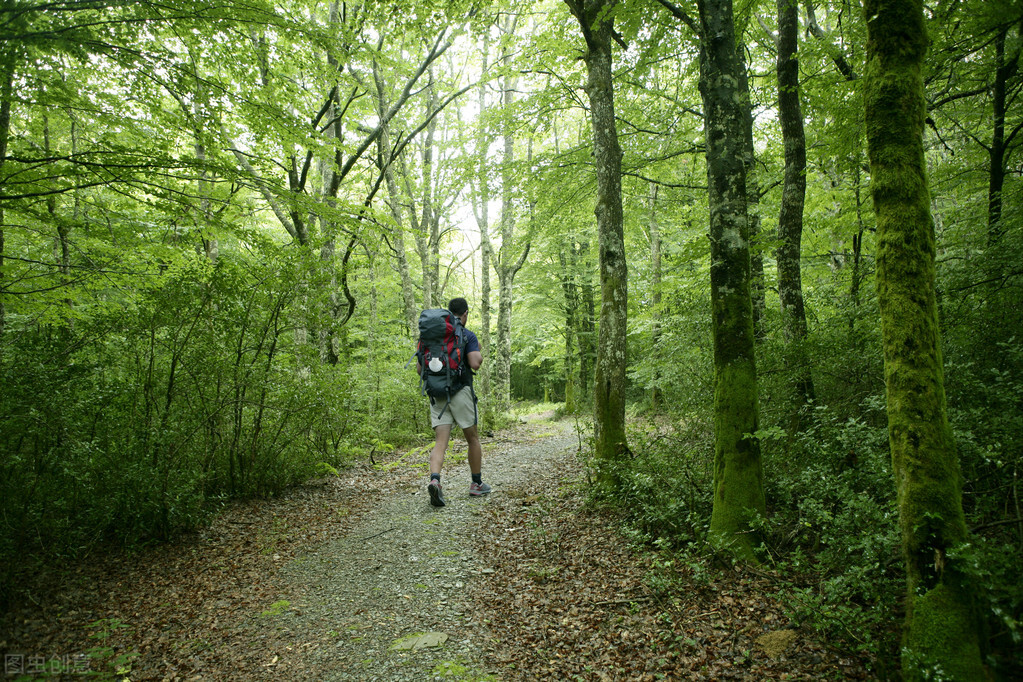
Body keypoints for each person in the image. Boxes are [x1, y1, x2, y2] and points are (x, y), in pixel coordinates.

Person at [422, 297, 490, 507]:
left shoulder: (430, 336)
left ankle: (435, 480)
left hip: (437, 393)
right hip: (461, 391)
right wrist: (477, 348)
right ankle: (476, 484)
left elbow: (419, 369)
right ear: (465, 313)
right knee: (472, 439)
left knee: (440, 442)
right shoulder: (466, 335)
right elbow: (475, 363)